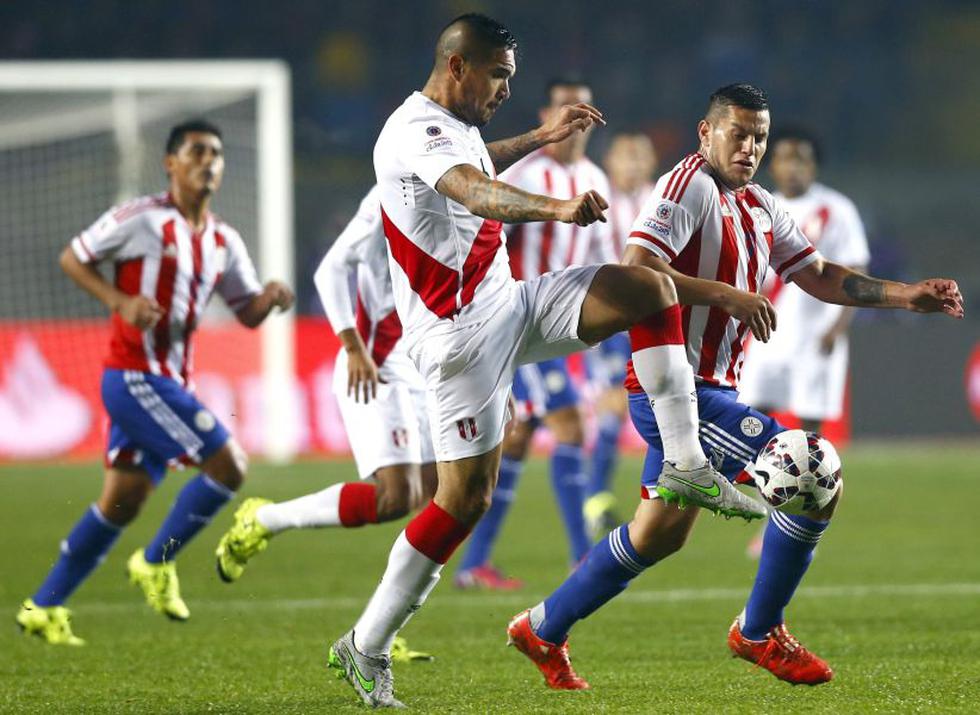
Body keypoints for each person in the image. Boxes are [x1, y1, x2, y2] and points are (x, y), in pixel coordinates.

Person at [326, 16, 763, 709]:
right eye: (499, 75)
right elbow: (473, 190)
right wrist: (557, 206)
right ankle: (368, 642)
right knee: (460, 501)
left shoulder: (452, 123)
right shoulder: (413, 129)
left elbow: (477, 160)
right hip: (456, 339)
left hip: (511, 304)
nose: (506, 89)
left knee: (647, 285)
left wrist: (541, 138)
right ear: (458, 65)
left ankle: (686, 464)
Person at [508, 83, 963, 691]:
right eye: (738, 134)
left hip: (709, 389)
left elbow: (820, 274)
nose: (749, 148)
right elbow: (637, 270)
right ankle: (759, 630)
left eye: (759, 138)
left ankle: (542, 628)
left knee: (658, 534)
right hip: (675, 390)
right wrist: (725, 294)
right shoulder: (687, 185)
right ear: (706, 132)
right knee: (811, 471)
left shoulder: (759, 205)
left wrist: (904, 296)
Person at [16, 120, 294, 645]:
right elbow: (73, 257)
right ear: (171, 163)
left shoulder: (222, 240)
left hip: (167, 380)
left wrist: (272, 297)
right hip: (132, 376)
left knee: (122, 501)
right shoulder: (141, 220)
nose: (207, 162)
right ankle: (154, 563)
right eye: (195, 152)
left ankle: (43, 605)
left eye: (215, 153)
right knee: (229, 464)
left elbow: (247, 311)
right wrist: (120, 301)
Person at [213, 185, 436, 662]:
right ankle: (265, 519)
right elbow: (331, 267)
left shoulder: (466, 186)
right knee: (395, 497)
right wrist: (354, 347)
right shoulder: (393, 192)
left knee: (450, 495)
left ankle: (382, 627)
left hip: (429, 365)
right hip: (379, 365)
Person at [454, 77, 616, 590]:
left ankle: (474, 564)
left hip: (554, 325)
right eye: (566, 106)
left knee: (519, 440)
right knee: (570, 426)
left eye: (585, 107)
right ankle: (583, 557)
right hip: (514, 317)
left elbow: (600, 256)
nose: (577, 116)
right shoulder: (526, 170)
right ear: (550, 112)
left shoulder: (595, 176)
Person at [738, 126, 870, 559]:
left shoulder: (836, 209)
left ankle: (804, 522)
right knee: (754, 423)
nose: (793, 166)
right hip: (766, 333)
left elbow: (854, 271)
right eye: (786, 157)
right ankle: (768, 518)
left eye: (802, 158)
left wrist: (838, 327)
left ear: (813, 165)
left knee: (810, 435)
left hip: (815, 340)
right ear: (772, 163)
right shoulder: (757, 204)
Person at [583, 131, 660, 537]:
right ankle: (596, 497)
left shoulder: (663, 199)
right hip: (613, 317)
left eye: (639, 156)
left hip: (656, 315)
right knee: (613, 403)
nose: (632, 164)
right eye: (624, 156)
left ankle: (656, 497)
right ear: (609, 161)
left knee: (664, 404)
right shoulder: (595, 201)